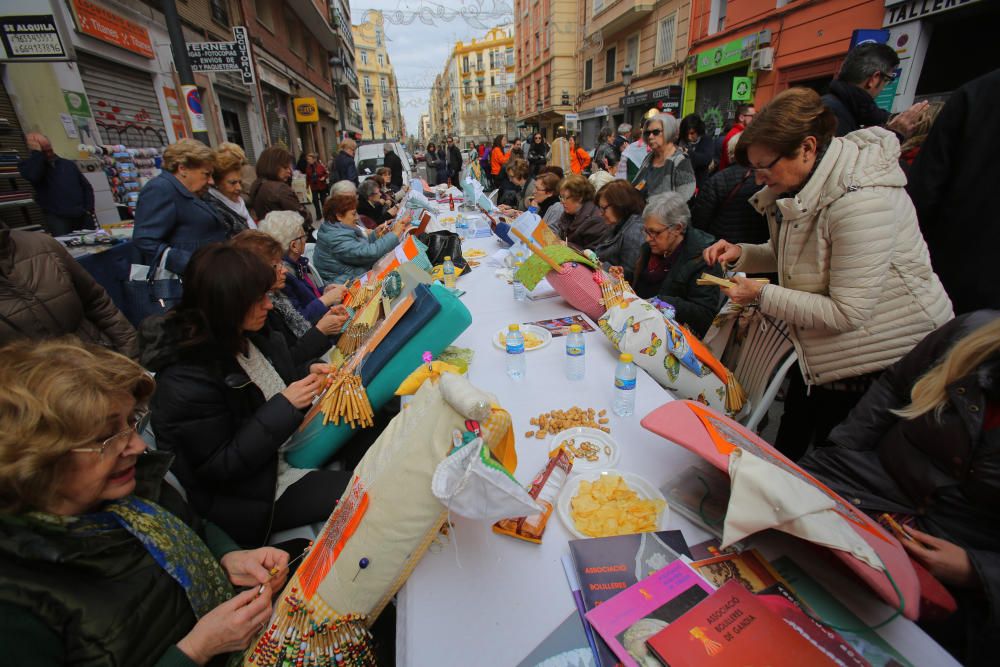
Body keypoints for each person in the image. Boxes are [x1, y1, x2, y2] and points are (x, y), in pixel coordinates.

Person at [0, 338, 287, 665]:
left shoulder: (129, 490)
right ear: (34, 460)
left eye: (130, 423)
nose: (136, 445)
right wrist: (196, 650)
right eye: (105, 438)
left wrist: (228, 557)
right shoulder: (16, 605)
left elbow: (194, 526)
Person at [703, 87, 953, 459]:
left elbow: (847, 312)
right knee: (793, 447)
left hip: (881, 364)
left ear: (806, 148)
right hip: (827, 361)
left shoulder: (859, 201)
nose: (758, 180)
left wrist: (760, 294)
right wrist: (743, 254)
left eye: (764, 167)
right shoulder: (810, 185)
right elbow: (799, 256)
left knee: (836, 462)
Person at [800, 311, 1000, 666]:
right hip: (862, 489)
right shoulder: (975, 332)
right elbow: (896, 383)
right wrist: (845, 449)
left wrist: (977, 569)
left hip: (948, 573)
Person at [139, 244, 351, 546]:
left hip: (281, 455)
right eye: (258, 299)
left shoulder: (245, 337)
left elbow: (278, 382)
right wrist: (285, 405)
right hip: (253, 496)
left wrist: (311, 372)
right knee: (365, 489)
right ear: (227, 304)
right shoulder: (186, 379)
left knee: (371, 434)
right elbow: (219, 468)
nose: (268, 305)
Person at [908, 69, 1000, 315]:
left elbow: (918, 201)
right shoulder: (975, 96)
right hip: (954, 280)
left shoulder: (977, 95)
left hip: (948, 282)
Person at [0, 225, 137, 358]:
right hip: (38, 378)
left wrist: (134, 354)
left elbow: (98, 303)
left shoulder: (41, 244)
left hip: (101, 361)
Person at [230, 230, 346, 356]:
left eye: (281, 263)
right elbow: (289, 362)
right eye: (275, 266)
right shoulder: (261, 312)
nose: (283, 270)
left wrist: (326, 314)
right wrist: (321, 329)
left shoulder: (278, 292)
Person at [633, 193, 722, 336]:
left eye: (654, 232)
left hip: (673, 337)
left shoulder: (703, 259)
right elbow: (641, 282)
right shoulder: (653, 248)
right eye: (646, 231)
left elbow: (704, 316)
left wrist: (663, 302)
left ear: (678, 228)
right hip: (641, 324)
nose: (647, 238)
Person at [133, 138, 226, 275]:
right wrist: (191, 264)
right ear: (183, 169)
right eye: (206, 174)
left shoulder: (194, 191)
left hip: (205, 275)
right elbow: (145, 239)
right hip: (186, 280)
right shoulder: (160, 189)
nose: (211, 181)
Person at [821, 42, 928, 139]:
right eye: (888, 80)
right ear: (874, 79)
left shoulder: (834, 107)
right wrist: (894, 135)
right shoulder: (831, 116)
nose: (885, 86)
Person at [259, 211, 347, 324]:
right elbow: (300, 320)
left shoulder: (296, 264)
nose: (305, 239)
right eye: (303, 236)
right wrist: (326, 299)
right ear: (294, 246)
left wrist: (324, 291)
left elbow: (308, 295)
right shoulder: (282, 276)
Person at [314, 191, 409, 285]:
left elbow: (358, 249)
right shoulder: (335, 238)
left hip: (353, 273)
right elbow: (369, 253)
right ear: (339, 216)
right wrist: (395, 233)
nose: (357, 217)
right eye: (353, 214)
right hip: (347, 284)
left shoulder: (336, 229)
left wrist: (375, 234)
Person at [690, 133, 768, 246]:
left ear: (730, 153)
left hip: (721, 247)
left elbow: (699, 220)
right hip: (759, 248)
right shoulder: (768, 180)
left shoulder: (719, 179)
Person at [17, 133, 95, 236]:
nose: (49, 154)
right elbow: (32, 176)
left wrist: (88, 209)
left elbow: (86, 187)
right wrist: (37, 153)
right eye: (44, 151)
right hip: (58, 219)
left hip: (82, 215)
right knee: (67, 248)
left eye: (49, 149)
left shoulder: (68, 164)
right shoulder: (29, 166)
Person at [632, 113, 696, 202]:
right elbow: (636, 185)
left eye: (656, 132)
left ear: (669, 131)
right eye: (647, 133)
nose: (650, 136)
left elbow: (684, 202)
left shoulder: (681, 161)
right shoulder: (649, 157)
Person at [591, 180, 646, 284]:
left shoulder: (634, 231)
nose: (600, 213)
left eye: (603, 208)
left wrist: (598, 264)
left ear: (619, 204)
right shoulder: (620, 224)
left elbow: (628, 276)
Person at [248, 146, 311, 227]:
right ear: (273, 166)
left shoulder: (257, 184)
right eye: (285, 167)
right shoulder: (280, 189)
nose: (289, 171)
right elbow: (304, 218)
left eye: (289, 167)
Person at [205, 142, 256, 234]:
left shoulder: (238, 202)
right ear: (216, 183)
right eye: (233, 183)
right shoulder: (216, 210)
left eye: (239, 182)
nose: (239, 188)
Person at [556, 174, 607, 250]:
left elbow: (593, 254)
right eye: (561, 197)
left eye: (565, 197)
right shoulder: (569, 214)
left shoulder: (595, 220)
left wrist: (567, 246)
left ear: (579, 198)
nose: (561, 202)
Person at [679, 114, 715, 191]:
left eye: (692, 133)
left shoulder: (706, 140)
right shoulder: (680, 141)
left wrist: (688, 152)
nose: (689, 137)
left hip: (699, 185)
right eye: (686, 134)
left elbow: (706, 159)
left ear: (698, 131)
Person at [718, 104, 755, 171]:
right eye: (753, 116)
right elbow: (734, 164)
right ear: (741, 117)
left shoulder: (742, 133)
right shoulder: (735, 135)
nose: (755, 119)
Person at [305, 153, 330, 222]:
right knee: (315, 201)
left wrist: (323, 177)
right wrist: (307, 187)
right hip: (313, 187)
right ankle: (318, 215)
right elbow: (307, 178)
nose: (308, 160)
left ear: (313, 159)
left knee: (323, 201)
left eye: (309, 159)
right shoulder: (308, 168)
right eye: (307, 159)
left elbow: (327, 174)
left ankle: (326, 214)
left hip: (321, 185)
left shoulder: (320, 166)